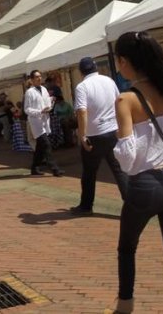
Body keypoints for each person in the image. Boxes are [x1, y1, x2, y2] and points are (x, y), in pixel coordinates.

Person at [110, 32, 163, 314]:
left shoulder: (126, 100)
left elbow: (127, 159)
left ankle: (125, 304)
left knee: (127, 247)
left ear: (124, 61)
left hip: (145, 185)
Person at [70, 57, 128, 215]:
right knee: (119, 170)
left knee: (89, 172)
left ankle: (86, 206)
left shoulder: (82, 87)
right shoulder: (108, 80)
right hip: (113, 130)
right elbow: (119, 101)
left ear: (81, 72)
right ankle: (131, 205)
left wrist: (82, 135)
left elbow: (82, 111)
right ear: (95, 67)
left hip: (95, 134)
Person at [24, 71, 62, 176]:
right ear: (32, 79)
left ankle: (34, 168)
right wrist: (39, 112)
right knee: (46, 144)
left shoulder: (44, 89)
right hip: (36, 121)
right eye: (36, 77)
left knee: (40, 148)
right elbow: (26, 109)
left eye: (40, 76)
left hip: (45, 120)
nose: (39, 78)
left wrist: (50, 102)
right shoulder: (29, 92)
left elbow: (46, 102)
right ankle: (54, 169)